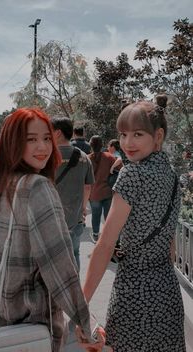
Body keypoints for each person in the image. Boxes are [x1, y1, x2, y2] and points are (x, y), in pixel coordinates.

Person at [0, 108, 104, 352]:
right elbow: (60, 268)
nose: (42, 147)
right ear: (13, 143)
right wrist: (86, 323)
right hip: (25, 327)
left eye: (46, 138)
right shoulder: (36, 187)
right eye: (31, 139)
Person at [80, 95, 186, 351]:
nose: (128, 142)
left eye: (137, 134)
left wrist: (81, 305)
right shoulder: (172, 177)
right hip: (167, 291)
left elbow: (105, 244)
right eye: (123, 134)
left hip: (134, 292)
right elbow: (170, 243)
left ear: (158, 136)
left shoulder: (132, 174)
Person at [51, 116, 94, 270]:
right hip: (75, 218)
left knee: (52, 257)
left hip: (50, 219)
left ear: (57, 133)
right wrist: (82, 208)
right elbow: (87, 187)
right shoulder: (83, 158)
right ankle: (74, 287)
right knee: (75, 253)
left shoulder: (47, 156)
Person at [88, 136, 116, 243]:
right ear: (102, 144)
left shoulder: (87, 158)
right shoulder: (109, 157)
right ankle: (109, 237)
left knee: (95, 215)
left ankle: (95, 235)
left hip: (94, 193)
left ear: (90, 145)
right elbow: (120, 169)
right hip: (108, 192)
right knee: (108, 215)